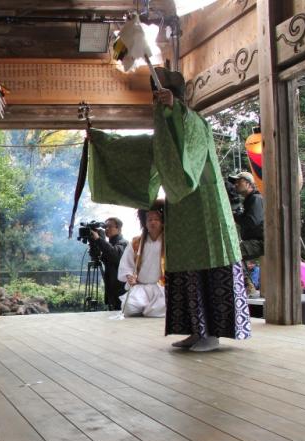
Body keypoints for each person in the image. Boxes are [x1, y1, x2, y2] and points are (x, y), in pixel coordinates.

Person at [86, 67, 251, 352]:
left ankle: (210, 333)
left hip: (206, 206)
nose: (156, 101)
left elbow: (188, 138)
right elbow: (144, 151)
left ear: (175, 96)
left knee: (206, 265)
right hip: (182, 206)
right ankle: (194, 329)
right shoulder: (165, 128)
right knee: (184, 270)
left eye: (161, 96)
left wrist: (175, 109)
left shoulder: (195, 121)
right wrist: (102, 142)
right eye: (155, 97)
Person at [118, 205, 166, 317]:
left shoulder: (169, 241)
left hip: (161, 287)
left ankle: (148, 308)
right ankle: (144, 306)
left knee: (156, 311)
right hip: (141, 286)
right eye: (149, 220)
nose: (153, 222)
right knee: (128, 307)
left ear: (162, 222)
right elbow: (126, 264)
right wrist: (129, 276)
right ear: (145, 223)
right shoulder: (136, 242)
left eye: (156, 219)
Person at [90, 217, 128, 310]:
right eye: (105, 227)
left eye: (110, 227)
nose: (107, 229)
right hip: (111, 289)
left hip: (121, 290)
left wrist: (99, 240)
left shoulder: (124, 243)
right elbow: (97, 255)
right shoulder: (107, 244)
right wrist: (94, 243)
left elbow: (114, 254)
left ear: (118, 229)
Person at [229, 171, 264, 261]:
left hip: (260, 242)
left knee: (231, 252)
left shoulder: (256, 198)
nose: (236, 184)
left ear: (248, 183)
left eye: (239, 181)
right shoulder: (249, 200)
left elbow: (252, 221)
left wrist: (236, 214)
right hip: (253, 242)